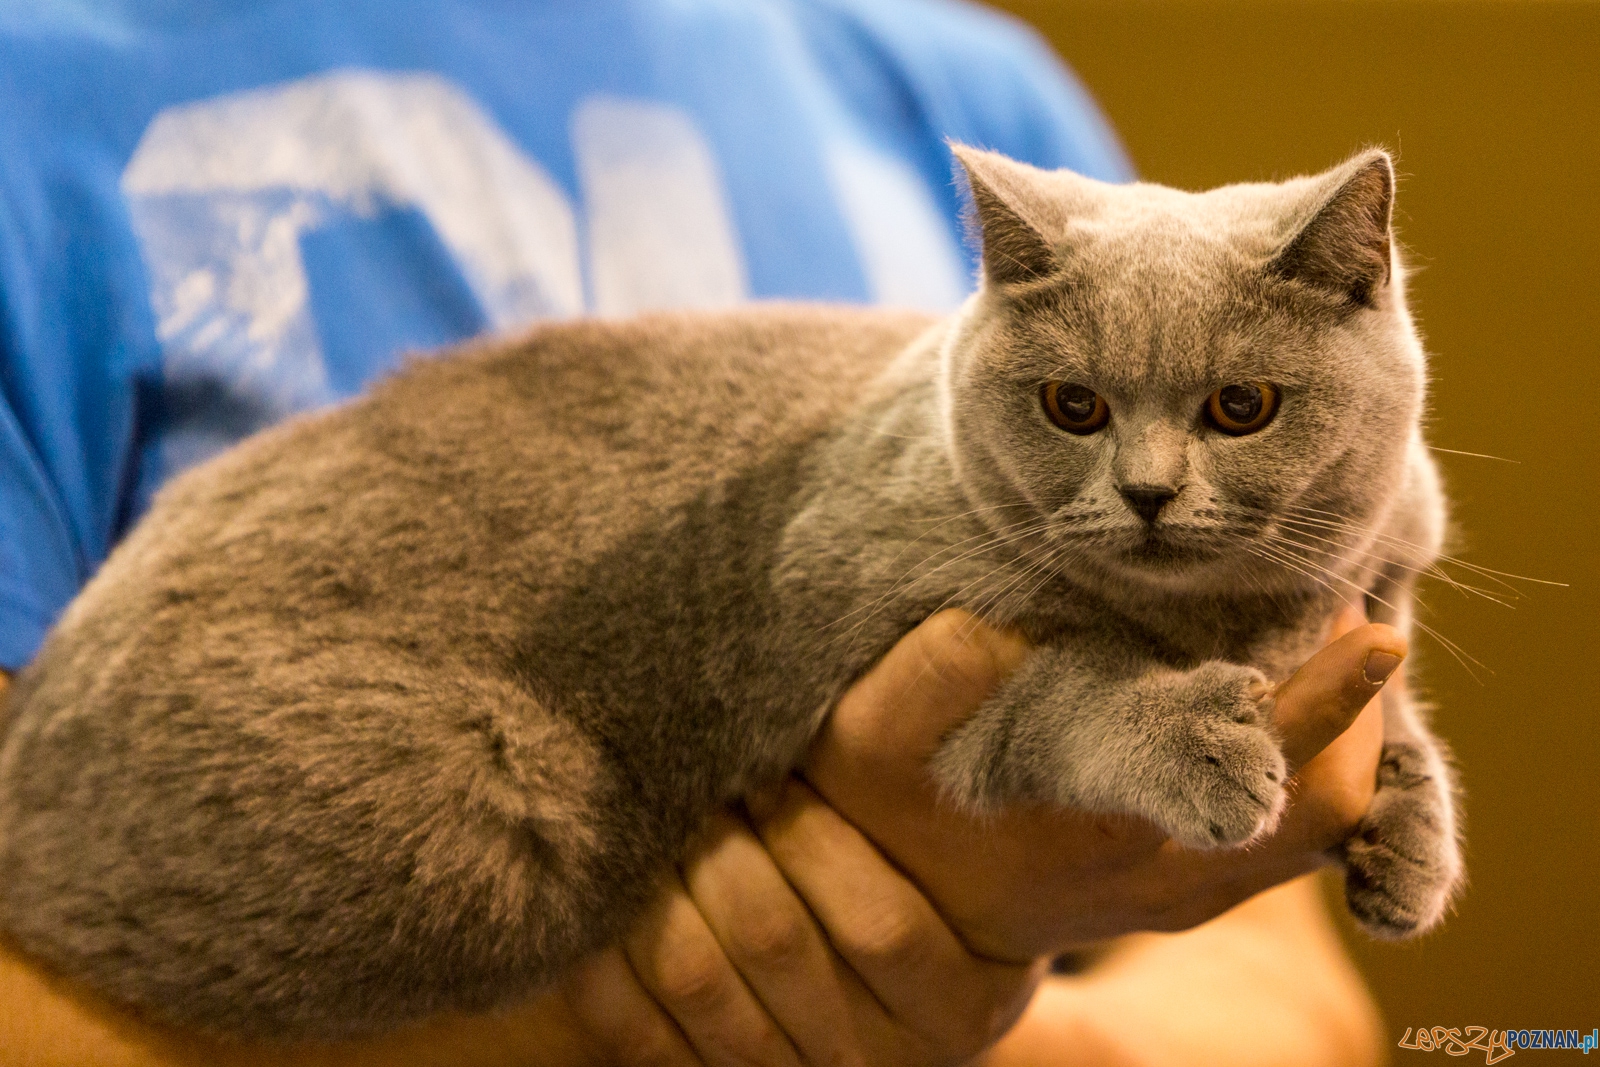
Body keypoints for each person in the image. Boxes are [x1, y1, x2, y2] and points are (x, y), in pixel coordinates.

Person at [0, 0, 1390, 1062]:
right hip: (390, 823)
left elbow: (1287, 993)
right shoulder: (31, 99)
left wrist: (1007, 1011)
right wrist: (644, 1023)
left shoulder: (956, 91)